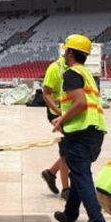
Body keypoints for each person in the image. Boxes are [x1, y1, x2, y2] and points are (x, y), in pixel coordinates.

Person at [50, 34, 109, 222]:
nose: (64, 54)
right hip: (95, 132)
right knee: (78, 175)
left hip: (80, 134)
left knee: (83, 178)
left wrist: (61, 119)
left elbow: (80, 103)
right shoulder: (87, 73)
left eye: (66, 50)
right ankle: (70, 215)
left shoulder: (72, 73)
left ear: (70, 52)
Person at [40, 49, 70, 200]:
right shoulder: (55, 68)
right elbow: (46, 93)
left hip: (69, 113)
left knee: (70, 149)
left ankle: (51, 173)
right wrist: (59, 112)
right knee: (65, 149)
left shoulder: (74, 67)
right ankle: (66, 189)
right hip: (56, 113)